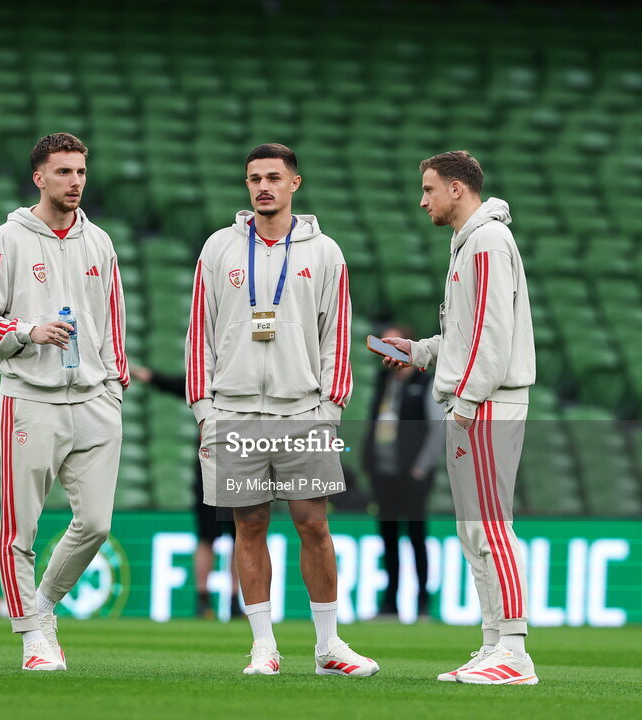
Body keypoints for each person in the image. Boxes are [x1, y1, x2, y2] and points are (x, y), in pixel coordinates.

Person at [185, 143, 378, 677]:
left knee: (313, 526)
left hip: (302, 411)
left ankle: (328, 646)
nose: (262, 186)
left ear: (295, 183)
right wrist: (205, 410)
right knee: (248, 527)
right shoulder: (220, 248)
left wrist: (329, 410)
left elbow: (336, 336)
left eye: (273, 177)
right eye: (253, 178)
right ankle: (263, 645)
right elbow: (198, 333)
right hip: (235, 411)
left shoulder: (325, 252)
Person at [0, 132, 128, 672]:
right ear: (39, 177)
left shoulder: (100, 243)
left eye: (80, 171)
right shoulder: (6, 240)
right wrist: (28, 331)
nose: (75, 181)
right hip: (29, 399)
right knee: (21, 529)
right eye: (63, 172)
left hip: (94, 399)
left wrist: (113, 386)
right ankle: (32, 637)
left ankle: (45, 606)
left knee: (97, 524)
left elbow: (114, 324)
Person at [380, 151, 538, 685]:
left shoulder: (489, 241)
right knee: (474, 530)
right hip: (475, 398)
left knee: (491, 526)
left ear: (456, 188)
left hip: (487, 404)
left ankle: (514, 651)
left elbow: (492, 336)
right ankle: (494, 641)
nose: (422, 200)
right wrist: (419, 352)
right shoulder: (471, 243)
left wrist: (466, 402)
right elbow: (469, 336)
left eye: (428, 189)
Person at [131, 365, 241, 619]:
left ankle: (231, 600)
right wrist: (148, 375)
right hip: (211, 467)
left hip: (239, 467)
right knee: (211, 536)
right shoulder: (212, 383)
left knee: (240, 538)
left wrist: (150, 375)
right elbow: (177, 384)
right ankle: (205, 600)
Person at [362, 324, 442, 620]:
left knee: (417, 537)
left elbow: (438, 429)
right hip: (384, 474)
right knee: (389, 538)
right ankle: (390, 603)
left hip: (413, 475)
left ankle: (422, 602)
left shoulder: (425, 383)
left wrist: (421, 466)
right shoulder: (385, 382)